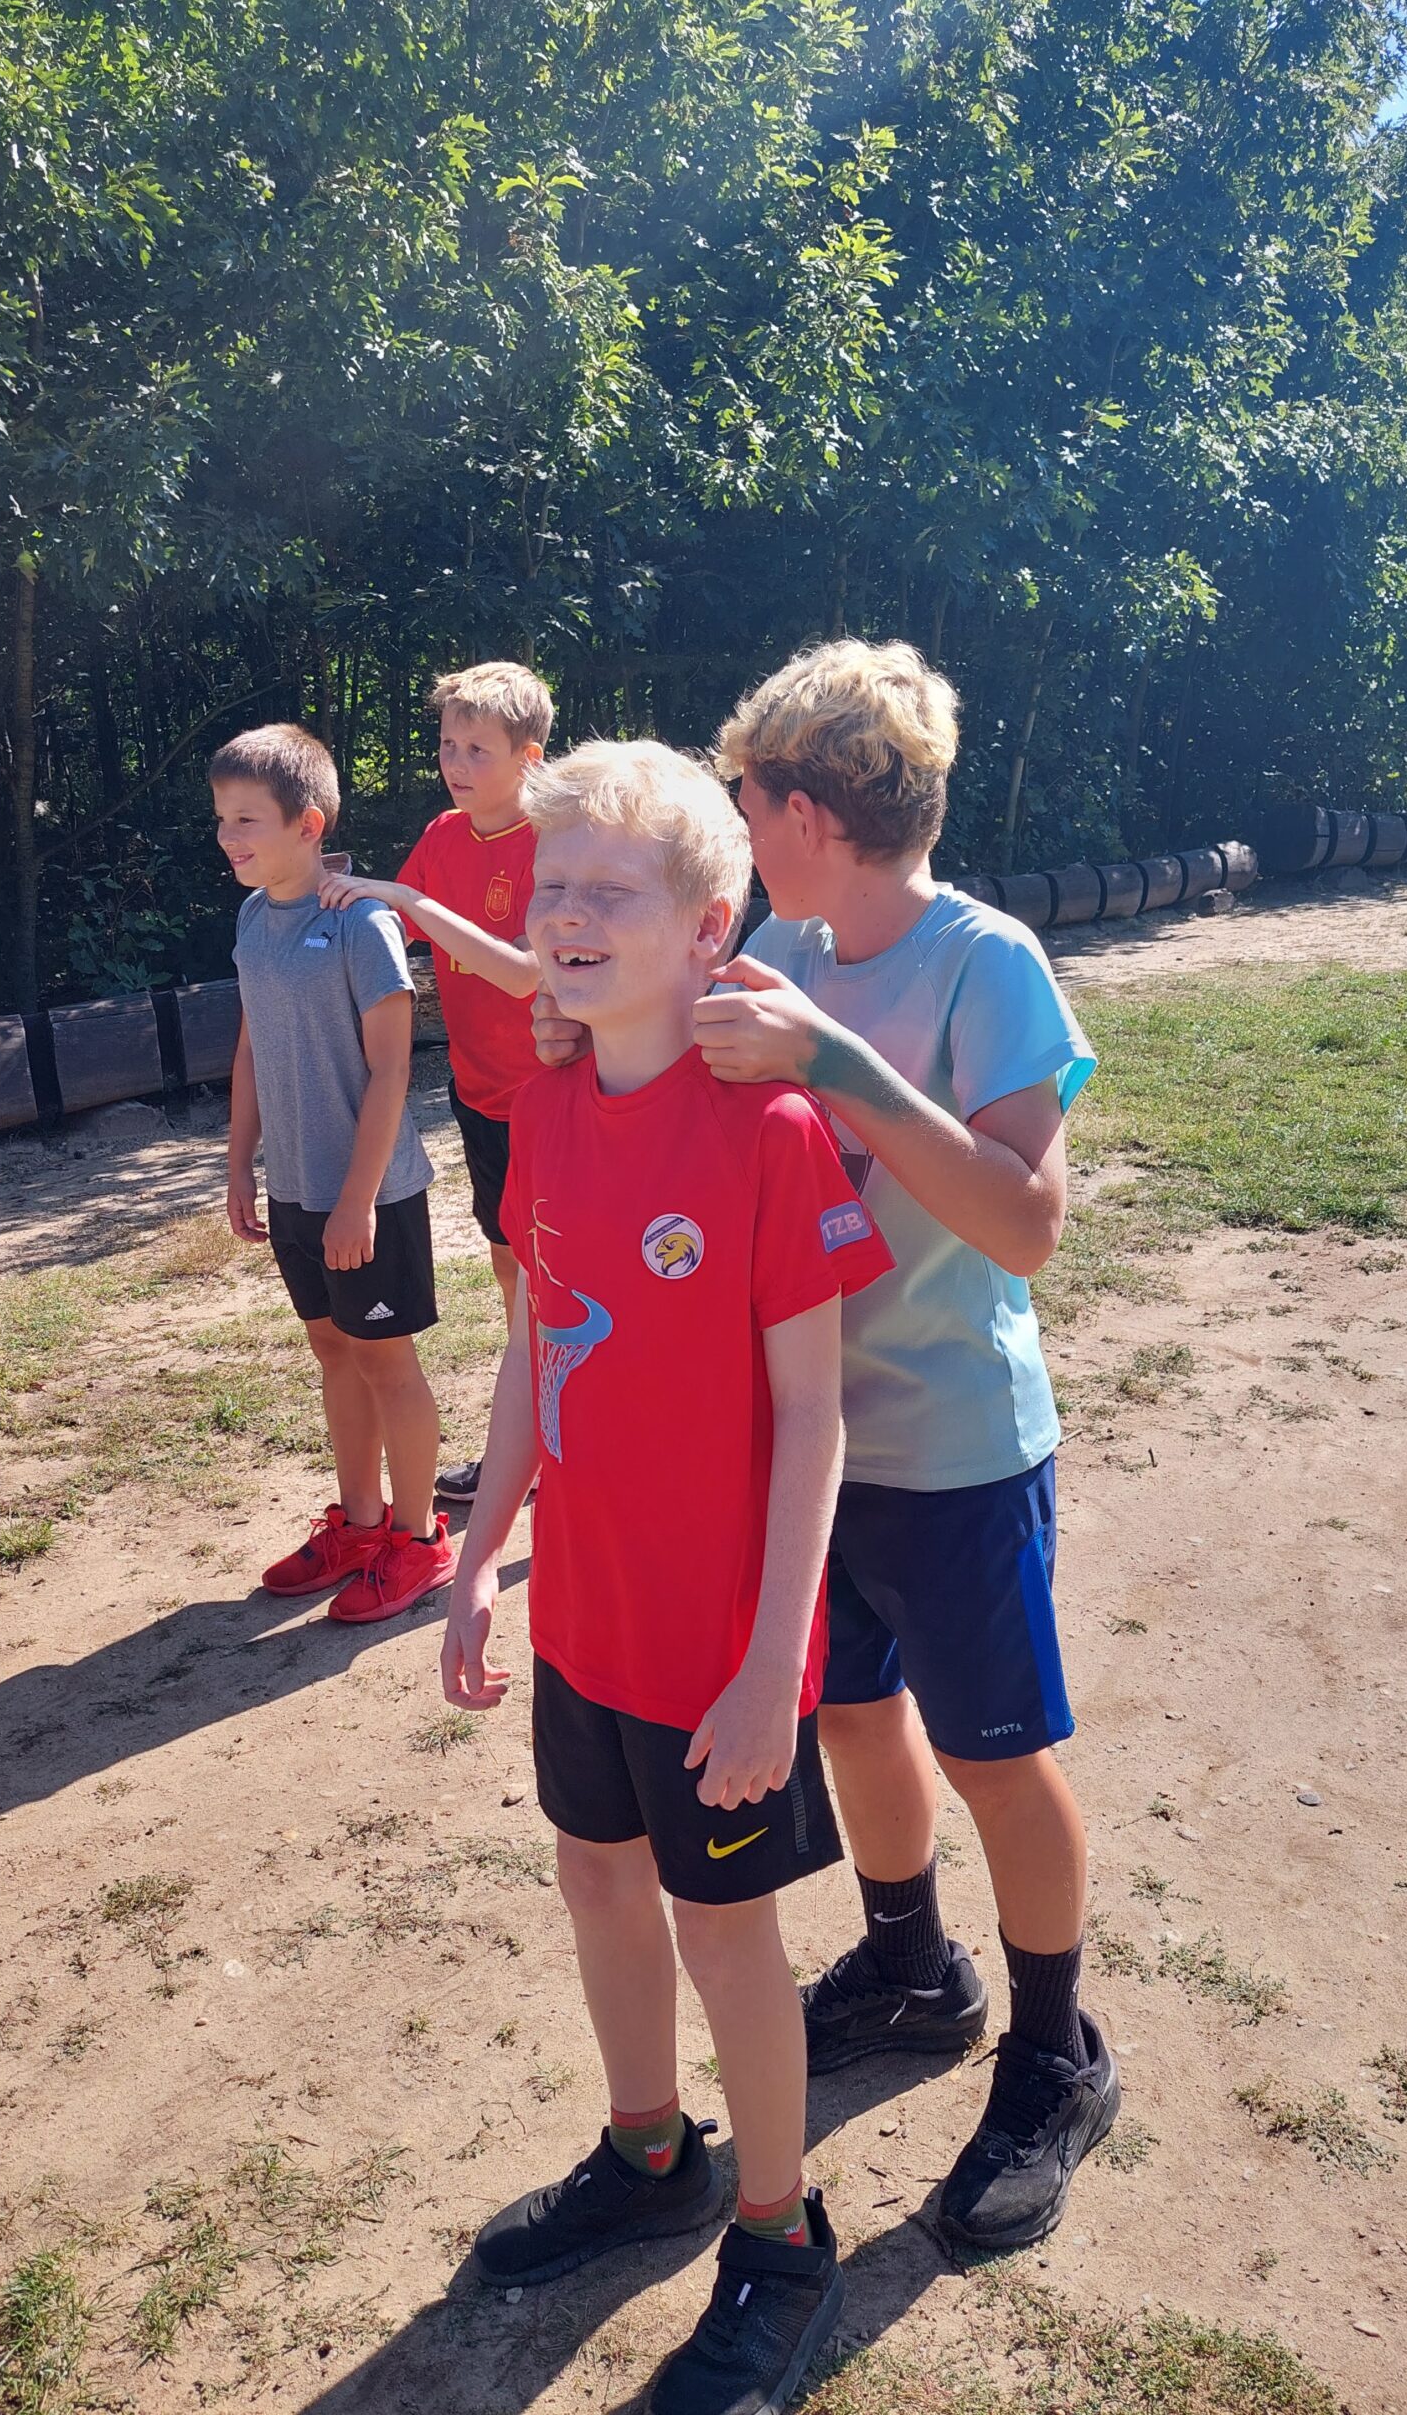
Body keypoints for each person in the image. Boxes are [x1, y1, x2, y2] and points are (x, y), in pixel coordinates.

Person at [537, 638, 1115, 2251]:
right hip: (788, 1457)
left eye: (746, 800)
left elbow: (1026, 1225)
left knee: (993, 1754)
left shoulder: (983, 962)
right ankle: (912, 1965)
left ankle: (1055, 2051)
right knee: (853, 1718)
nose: (738, 827)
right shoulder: (773, 942)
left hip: (949, 1441)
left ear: (802, 811)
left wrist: (836, 1064)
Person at [444, 740, 892, 2415]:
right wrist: (480, 1551)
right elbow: (534, 1343)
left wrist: (777, 1665)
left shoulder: (770, 1129)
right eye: (551, 886)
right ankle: (651, 2155)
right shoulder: (544, 1107)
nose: (564, 914)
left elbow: (814, 1414)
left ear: (710, 929)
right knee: (596, 1879)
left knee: (727, 1935)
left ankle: (781, 2233)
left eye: (608, 892)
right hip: (587, 1616)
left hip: (718, 1646)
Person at [212, 722, 453, 1625]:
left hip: (372, 1196)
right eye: (222, 820)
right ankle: (359, 1525)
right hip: (295, 1191)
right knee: (333, 1350)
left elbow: (393, 1070)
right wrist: (240, 1165)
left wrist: (358, 1201)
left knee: (387, 1361)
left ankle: (420, 1541)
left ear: (307, 824)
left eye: (247, 820)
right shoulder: (252, 918)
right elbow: (249, 1049)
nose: (230, 838)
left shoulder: (362, 923)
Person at [324, 662, 552, 1503]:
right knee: (510, 1271)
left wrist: (404, 901)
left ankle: (564, 1446)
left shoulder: (555, 842)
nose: (455, 762)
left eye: (476, 749)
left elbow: (523, 974)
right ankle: (537, 1444)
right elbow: (388, 923)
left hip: (554, 1099)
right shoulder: (445, 833)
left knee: (557, 1280)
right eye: (448, 744)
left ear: (529, 756)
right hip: (478, 1093)